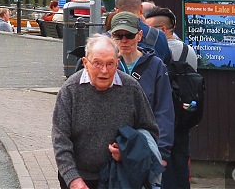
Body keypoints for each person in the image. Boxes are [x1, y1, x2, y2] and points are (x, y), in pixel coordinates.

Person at [52, 34, 160, 189]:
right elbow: (60, 141)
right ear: (85, 63)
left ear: (118, 63)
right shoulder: (70, 91)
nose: (104, 70)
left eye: (110, 64)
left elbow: (150, 131)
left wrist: (127, 153)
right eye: (97, 63)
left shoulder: (131, 88)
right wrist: (73, 179)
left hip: (119, 177)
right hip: (80, 177)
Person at [110, 12, 174, 172]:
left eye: (129, 35)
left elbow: (164, 110)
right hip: (112, 148)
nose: (124, 40)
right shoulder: (107, 65)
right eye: (118, 36)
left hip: (145, 147)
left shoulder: (156, 65)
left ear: (139, 36)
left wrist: (162, 153)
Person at [145, 8, 197, 189]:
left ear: (163, 30)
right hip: (184, 114)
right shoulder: (188, 50)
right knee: (181, 161)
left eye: (151, 30)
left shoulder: (157, 52)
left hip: (164, 115)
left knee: (164, 166)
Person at [115, 0, 172, 64]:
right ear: (141, 9)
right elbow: (167, 64)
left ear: (117, 12)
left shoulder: (106, 39)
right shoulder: (159, 36)